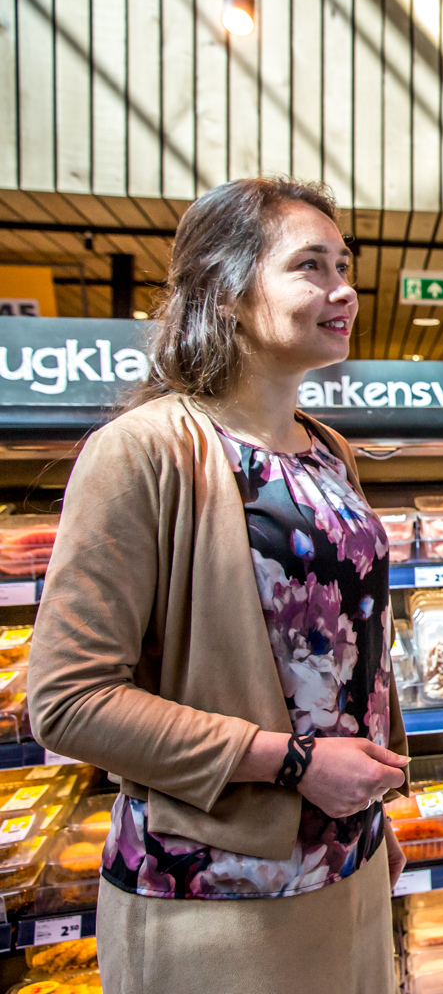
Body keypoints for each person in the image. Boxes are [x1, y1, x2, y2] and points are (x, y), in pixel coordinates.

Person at [28, 178, 410, 994]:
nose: (344, 289)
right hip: (213, 896)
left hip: (348, 868)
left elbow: (357, 650)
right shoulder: (142, 452)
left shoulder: (328, 454)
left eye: (344, 266)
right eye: (310, 266)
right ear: (227, 293)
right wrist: (292, 763)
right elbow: (67, 700)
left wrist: (376, 814)